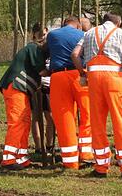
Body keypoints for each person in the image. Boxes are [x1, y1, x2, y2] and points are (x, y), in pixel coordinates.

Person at [72, 12, 122, 179]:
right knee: (120, 121)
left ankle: (101, 167)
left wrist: (82, 74)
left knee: (97, 123)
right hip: (114, 80)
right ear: (118, 23)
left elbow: (74, 54)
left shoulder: (88, 33)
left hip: (94, 81)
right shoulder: (121, 33)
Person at [46, 16, 92, 170]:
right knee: (87, 114)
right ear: (78, 25)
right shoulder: (84, 35)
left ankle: (70, 161)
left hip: (58, 77)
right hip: (80, 75)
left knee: (64, 117)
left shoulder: (52, 35)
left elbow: (45, 51)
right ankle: (86, 154)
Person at [0, 38, 47, 170]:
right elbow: (42, 71)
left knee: (24, 122)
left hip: (21, 90)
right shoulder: (34, 49)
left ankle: (21, 157)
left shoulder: (37, 51)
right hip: (15, 87)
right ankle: (9, 159)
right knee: (17, 122)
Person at [30, 24, 54, 156]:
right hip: (37, 86)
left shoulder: (51, 47)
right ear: (34, 35)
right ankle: (38, 147)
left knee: (50, 116)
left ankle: (49, 145)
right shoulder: (33, 48)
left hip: (49, 85)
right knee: (36, 117)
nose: (42, 37)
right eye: (40, 34)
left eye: (44, 34)